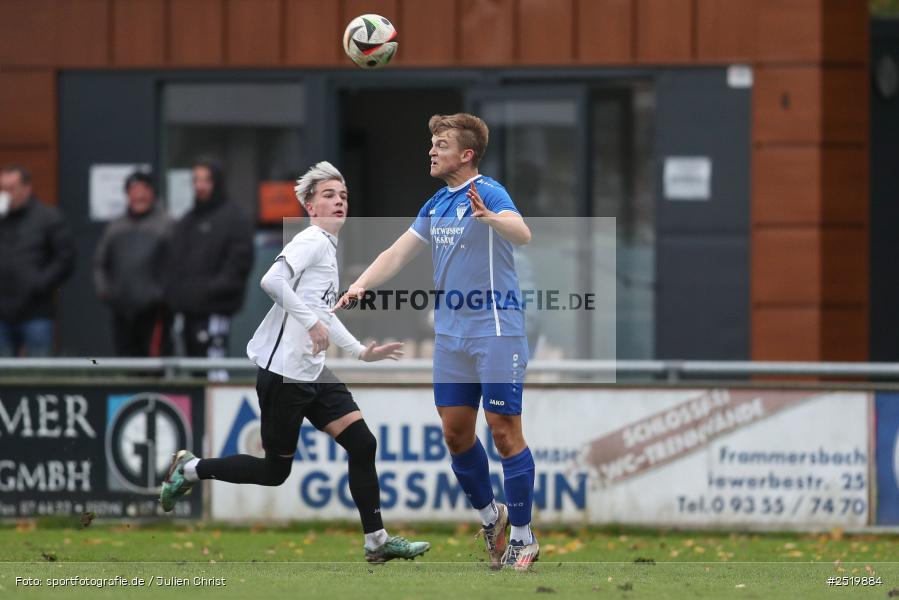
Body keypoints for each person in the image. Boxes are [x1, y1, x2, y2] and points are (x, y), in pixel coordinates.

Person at [159, 161, 430, 564]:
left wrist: (359, 352)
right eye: (328, 195)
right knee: (274, 472)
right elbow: (271, 281)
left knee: (362, 442)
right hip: (284, 374)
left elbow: (325, 314)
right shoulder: (312, 241)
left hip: (311, 370)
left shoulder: (328, 248)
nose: (339, 202)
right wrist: (310, 324)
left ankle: (377, 541)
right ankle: (191, 469)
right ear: (309, 205)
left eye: (343, 196)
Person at [334, 114, 538, 570]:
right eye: (432, 142)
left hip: (496, 328)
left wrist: (492, 218)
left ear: (466, 155)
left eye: (440, 143)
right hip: (451, 333)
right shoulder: (435, 204)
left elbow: (523, 233)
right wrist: (361, 286)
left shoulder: (486, 191)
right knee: (455, 433)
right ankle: (493, 518)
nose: (431, 150)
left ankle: (523, 539)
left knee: (504, 433)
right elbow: (397, 252)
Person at [166, 158, 254, 375]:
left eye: (206, 180)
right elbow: (174, 264)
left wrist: (207, 291)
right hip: (186, 313)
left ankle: (213, 411)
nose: (200, 186)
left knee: (213, 371)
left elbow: (238, 266)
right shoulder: (187, 221)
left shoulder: (234, 219)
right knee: (192, 371)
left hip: (215, 312)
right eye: (196, 180)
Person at [93, 171, 173, 356]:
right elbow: (100, 263)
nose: (139, 195)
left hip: (155, 309)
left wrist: (163, 294)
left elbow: (177, 264)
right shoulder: (115, 227)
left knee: (155, 361)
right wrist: (105, 290)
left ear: (152, 193)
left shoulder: (166, 225)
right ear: (127, 194)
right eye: (134, 190)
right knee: (126, 360)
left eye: (144, 190)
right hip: (122, 308)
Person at [0, 164, 75, 357]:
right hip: (2, 313)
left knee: (39, 375)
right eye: (2, 188)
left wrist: (40, 284)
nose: (5, 194)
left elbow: (65, 257)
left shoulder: (48, 218)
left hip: (36, 311)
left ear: (27, 188)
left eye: (11, 188)